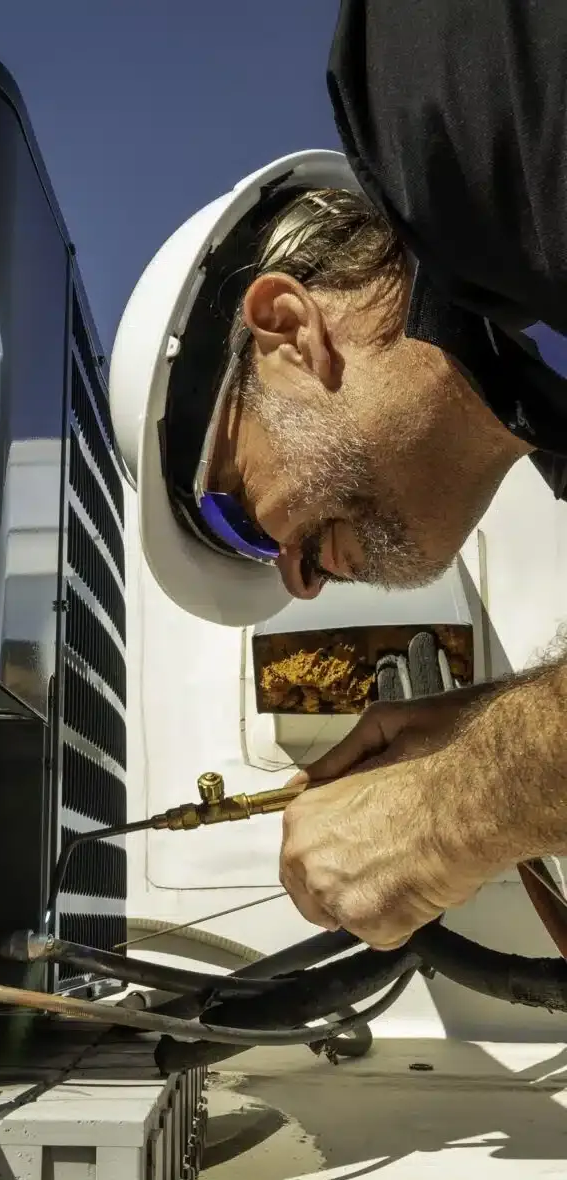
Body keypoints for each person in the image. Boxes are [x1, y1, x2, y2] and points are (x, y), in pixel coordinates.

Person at [108, 0, 567, 951]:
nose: (299, 579)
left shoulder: (450, 100)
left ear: (284, 329)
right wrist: (495, 733)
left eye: (239, 515)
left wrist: (468, 800)